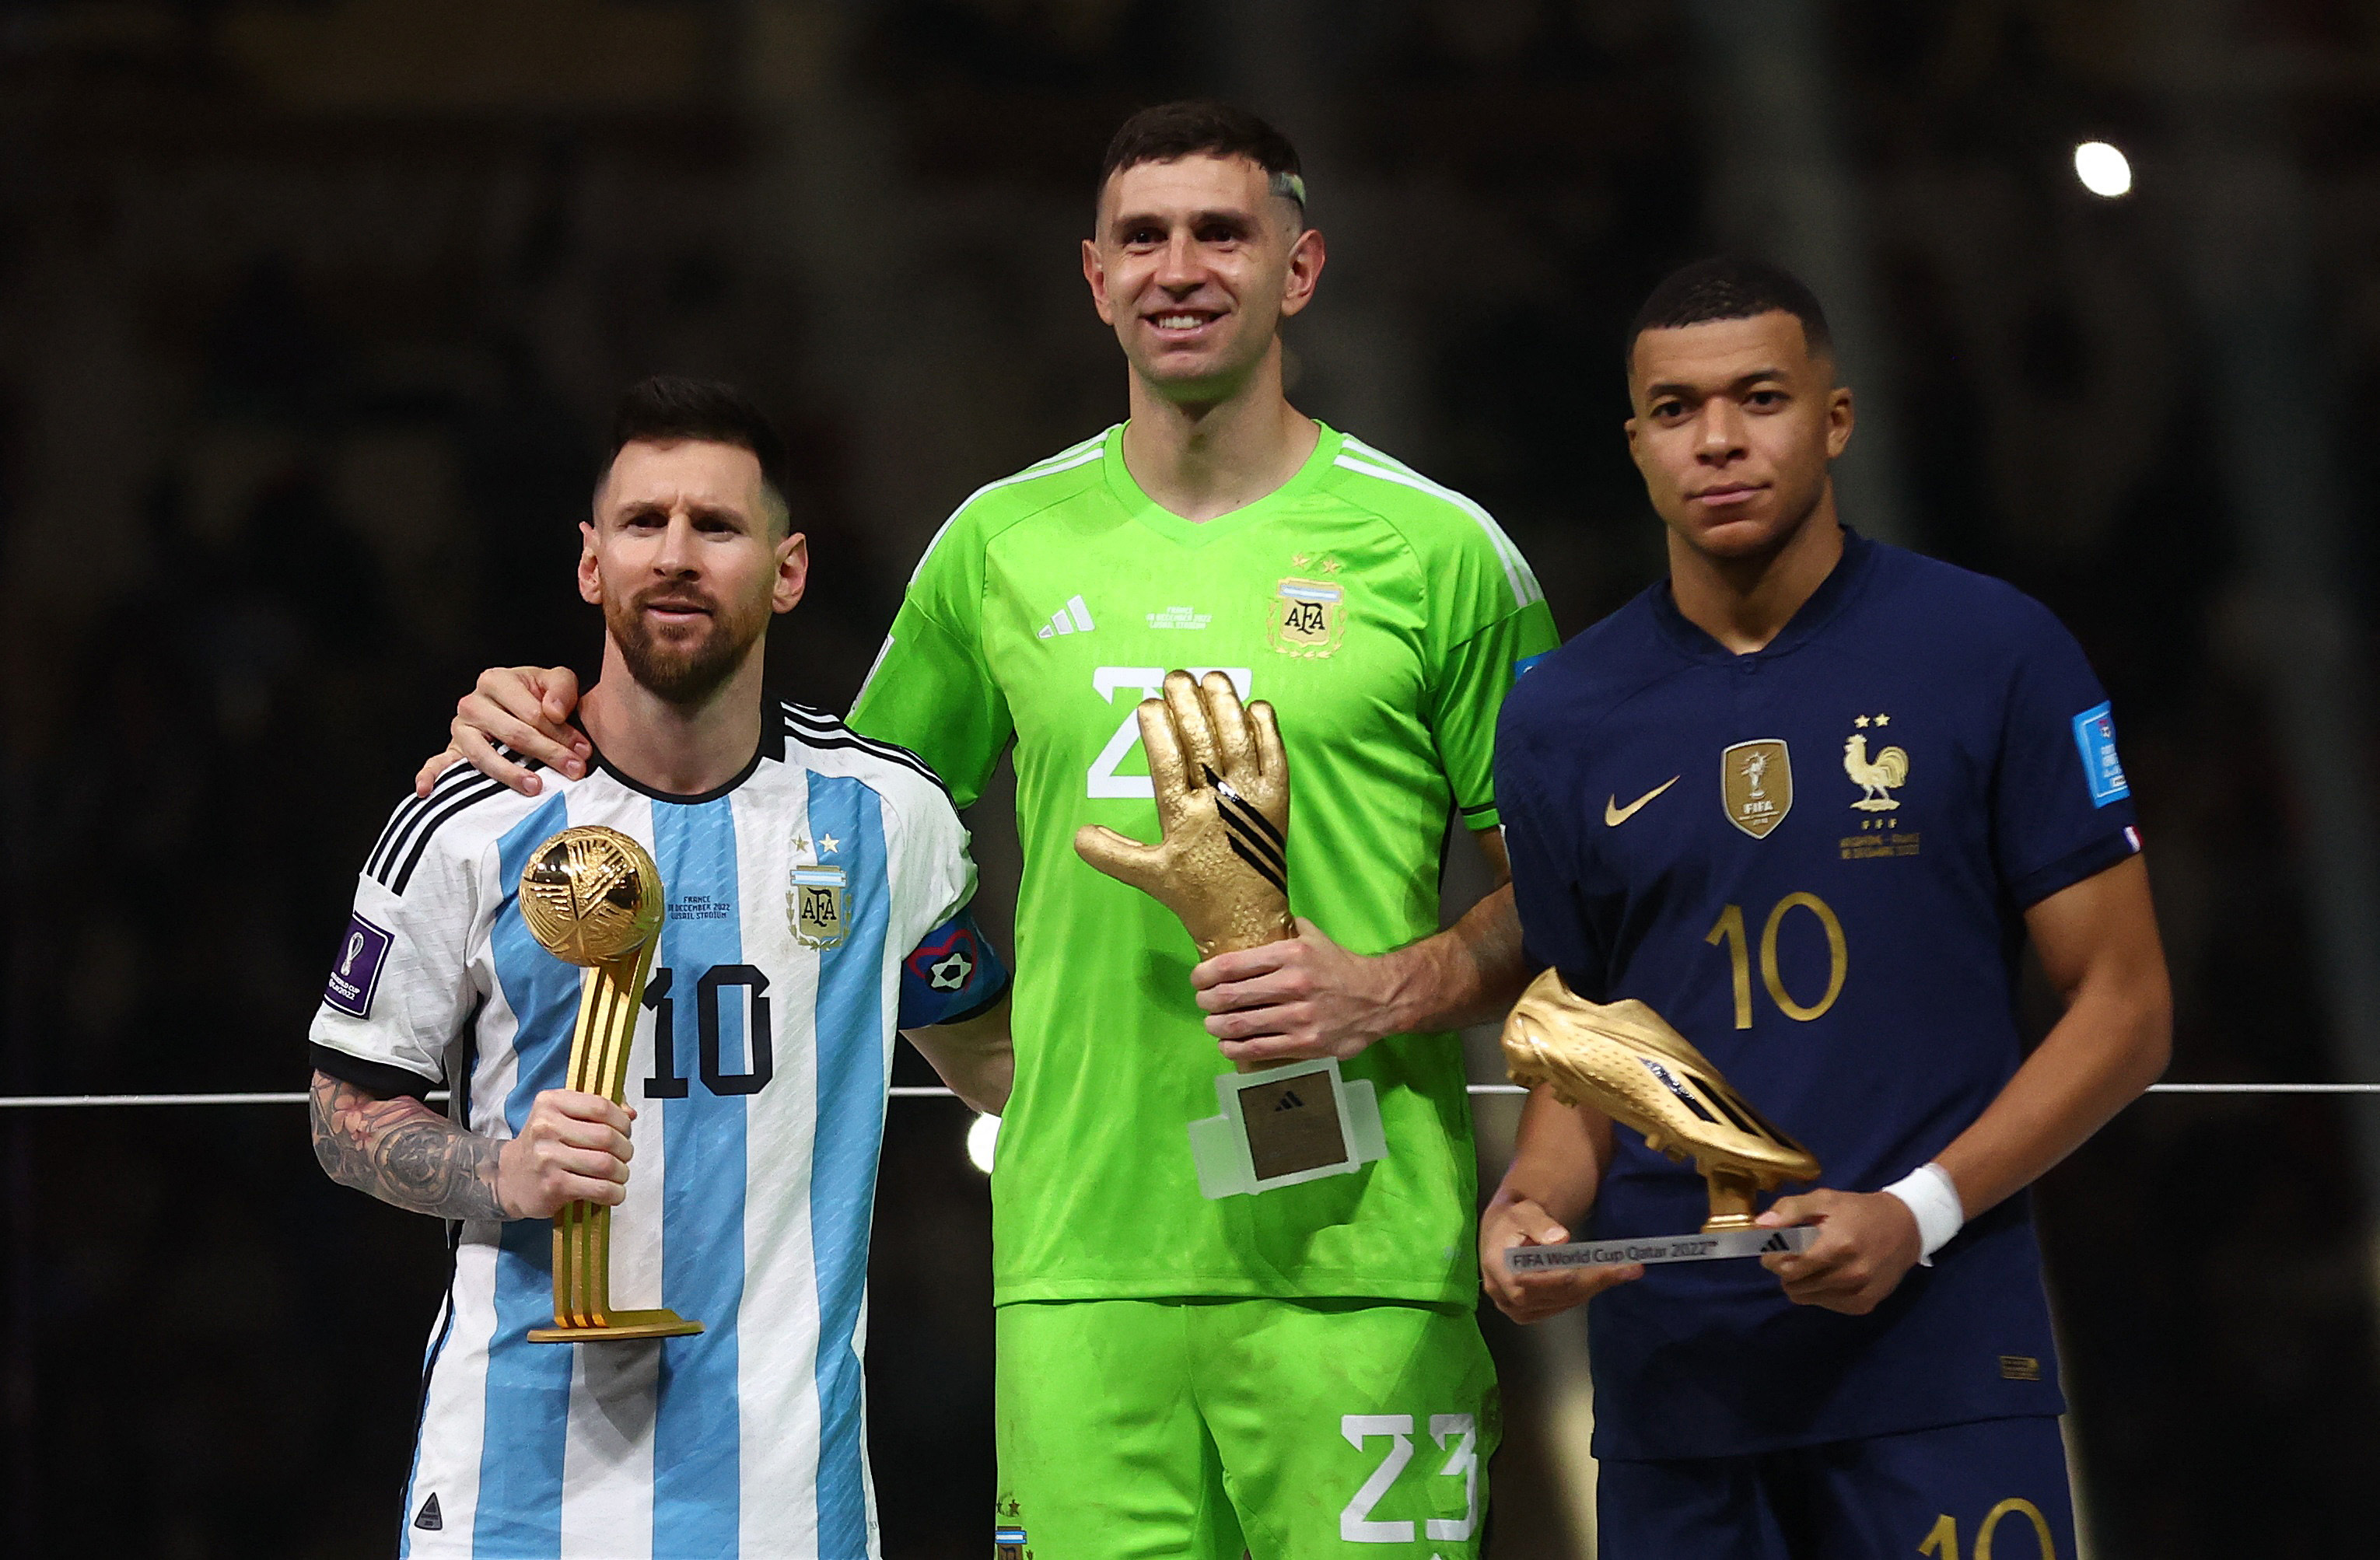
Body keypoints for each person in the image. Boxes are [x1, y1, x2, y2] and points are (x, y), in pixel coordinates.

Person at [425, 103, 1556, 1559]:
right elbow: (829, 819)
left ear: (1301, 265)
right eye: (1142, 237)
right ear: (1094, 277)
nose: (1181, 267)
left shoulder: (1441, 552)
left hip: (1361, 1264)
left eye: (1223, 231)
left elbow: (1573, 891)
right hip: (1076, 1268)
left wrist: (1390, 988)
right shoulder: (998, 547)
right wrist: (566, 709)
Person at [1480, 257, 2172, 1558]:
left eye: (1760, 397)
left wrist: (1918, 1211)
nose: (1721, 440)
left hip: (1937, 1366)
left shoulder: (1995, 651)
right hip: (1677, 1393)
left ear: (1836, 419)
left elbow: (2128, 1008)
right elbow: (1581, 1043)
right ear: (1636, 446)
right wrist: (1531, 1207)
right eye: (1678, 411)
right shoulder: (1560, 714)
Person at [309, 376, 1013, 1556]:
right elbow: (340, 1111)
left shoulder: (888, 819)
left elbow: (1003, 1063)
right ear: (591, 563)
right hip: (511, 1489)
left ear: (788, 569)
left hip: (787, 1491)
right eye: (644, 524)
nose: (676, 555)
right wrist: (503, 1168)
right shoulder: (467, 818)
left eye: (716, 526)